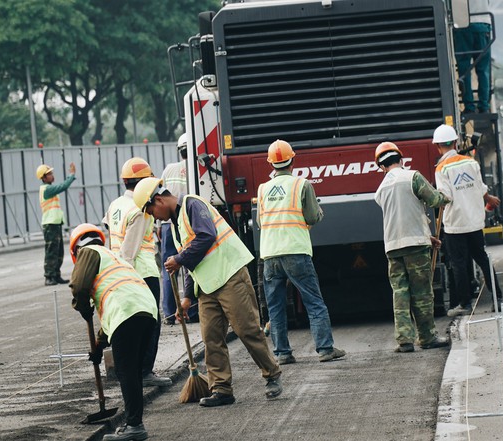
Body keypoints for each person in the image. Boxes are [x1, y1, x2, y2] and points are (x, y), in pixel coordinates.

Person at [133, 177, 282, 407]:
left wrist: (179, 260)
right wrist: (186, 297)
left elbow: (207, 236)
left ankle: (271, 373)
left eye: (151, 210)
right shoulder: (175, 226)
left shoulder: (193, 205)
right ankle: (221, 388)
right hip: (207, 285)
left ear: (159, 199)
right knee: (211, 337)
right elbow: (192, 261)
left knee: (247, 329)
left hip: (229, 274)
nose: (153, 217)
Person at [256, 140, 346, 365]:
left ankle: (282, 353)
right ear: (292, 160)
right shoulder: (302, 185)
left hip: (270, 254)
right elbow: (313, 217)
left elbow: (260, 221)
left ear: (271, 164)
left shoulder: (263, 188)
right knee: (313, 301)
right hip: (296, 252)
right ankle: (325, 348)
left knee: (275, 306)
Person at [68, 223, 157, 441]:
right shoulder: (113, 257)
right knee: (133, 371)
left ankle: (134, 427)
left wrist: (83, 308)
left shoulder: (87, 252)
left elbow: (79, 287)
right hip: (147, 310)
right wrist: (99, 346)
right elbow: (115, 308)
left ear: (76, 249)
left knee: (126, 371)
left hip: (127, 312)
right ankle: (134, 423)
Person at [373, 141, 451, 353]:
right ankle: (426, 337)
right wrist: (445, 196)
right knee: (422, 292)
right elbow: (434, 199)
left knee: (400, 293)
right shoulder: (413, 177)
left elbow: (401, 214)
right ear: (401, 159)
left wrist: (428, 237)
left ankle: (404, 340)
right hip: (415, 246)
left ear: (381, 166)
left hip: (393, 247)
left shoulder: (380, 189)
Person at [103, 158, 171, 387]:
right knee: (151, 321)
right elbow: (129, 250)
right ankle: (144, 371)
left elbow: (110, 233)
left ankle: (131, 369)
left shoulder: (115, 204)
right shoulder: (140, 209)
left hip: (118, 271)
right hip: (141, 271)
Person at [432, 124, 503, 316]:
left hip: (455, 224)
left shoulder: (441, 168)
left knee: (459, 264)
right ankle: (497, 298)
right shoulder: (470, 162)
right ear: (455, 142)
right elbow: (480, 187)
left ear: (438, 146)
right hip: (474, 221)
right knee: (482, 257)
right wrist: (489, 198)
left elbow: (445, 196)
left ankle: (464, 303)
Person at [159, 134, 198, 325]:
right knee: (191, 264)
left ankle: (168, 313)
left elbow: (159, 195)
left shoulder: (168, 169)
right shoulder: (195, 169)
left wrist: (159, 226)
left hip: (166, 225)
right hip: (187, 221)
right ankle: (191, 310)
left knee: (168, 269)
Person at [36, 162, 76, 286]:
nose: (52, 176)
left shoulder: (49, 189)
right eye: (49, 174)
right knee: (51, 251)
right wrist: (71, 175)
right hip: (50, 224)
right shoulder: (46, 189)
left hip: (55, 223)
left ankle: (56, 275)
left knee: (58, 251)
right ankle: (49, 276)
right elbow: (63, 186)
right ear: (43, 177)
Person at [454, 0, 492, 113]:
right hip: (483, 23)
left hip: (463, 25)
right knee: (483, 69)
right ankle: (484, 106)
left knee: (464, 68)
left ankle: (469, 106)